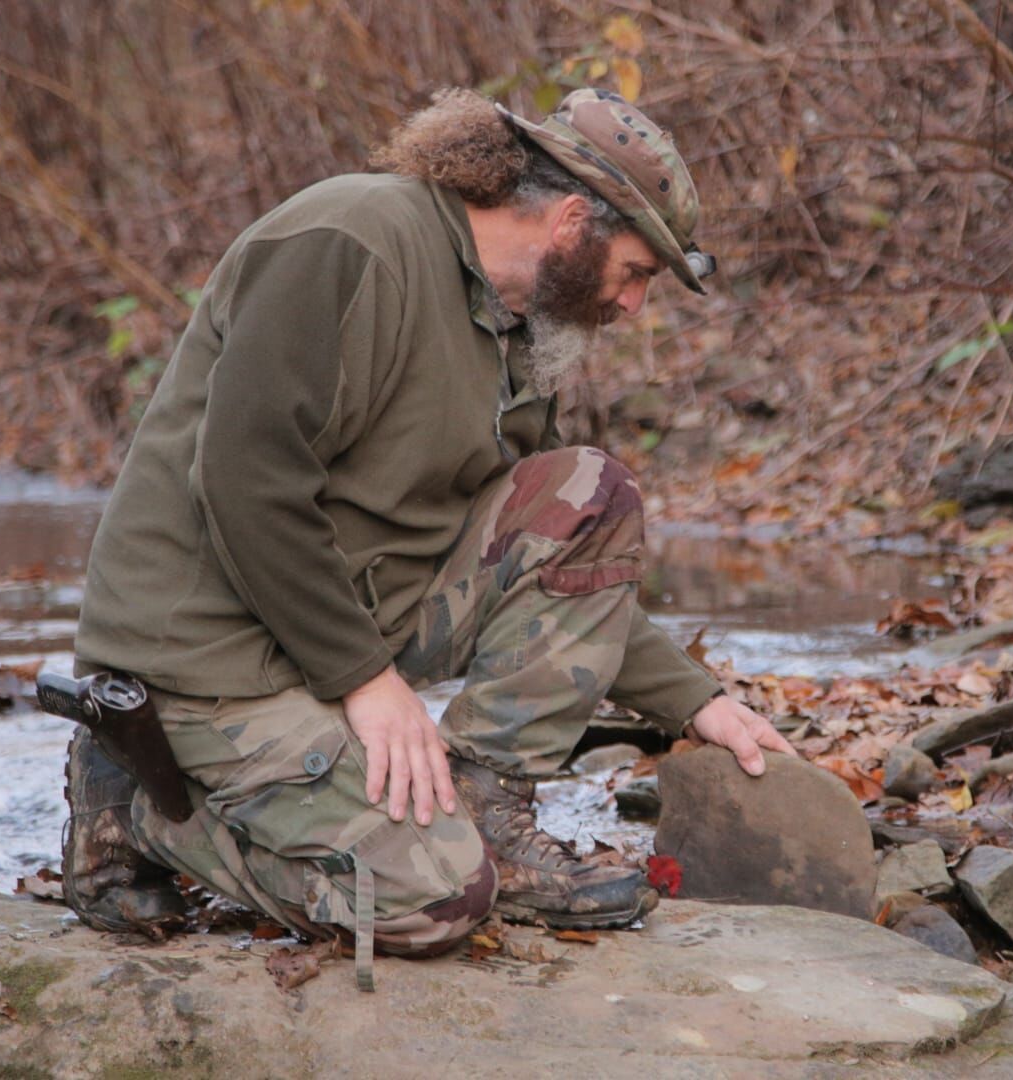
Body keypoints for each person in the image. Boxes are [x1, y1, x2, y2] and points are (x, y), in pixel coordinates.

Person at [60, 87, 795, 984]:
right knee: (435, 903)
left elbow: (552, 552)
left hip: (345, 625)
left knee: (587, 490)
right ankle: (140, 799)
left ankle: (490, 815)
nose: (635, 304)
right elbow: (245, 481)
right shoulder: (350, 240)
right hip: (205, 655)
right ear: (572, 221)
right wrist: (364, 682)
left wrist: (692, 699)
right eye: (636, 272)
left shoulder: (516, 328)